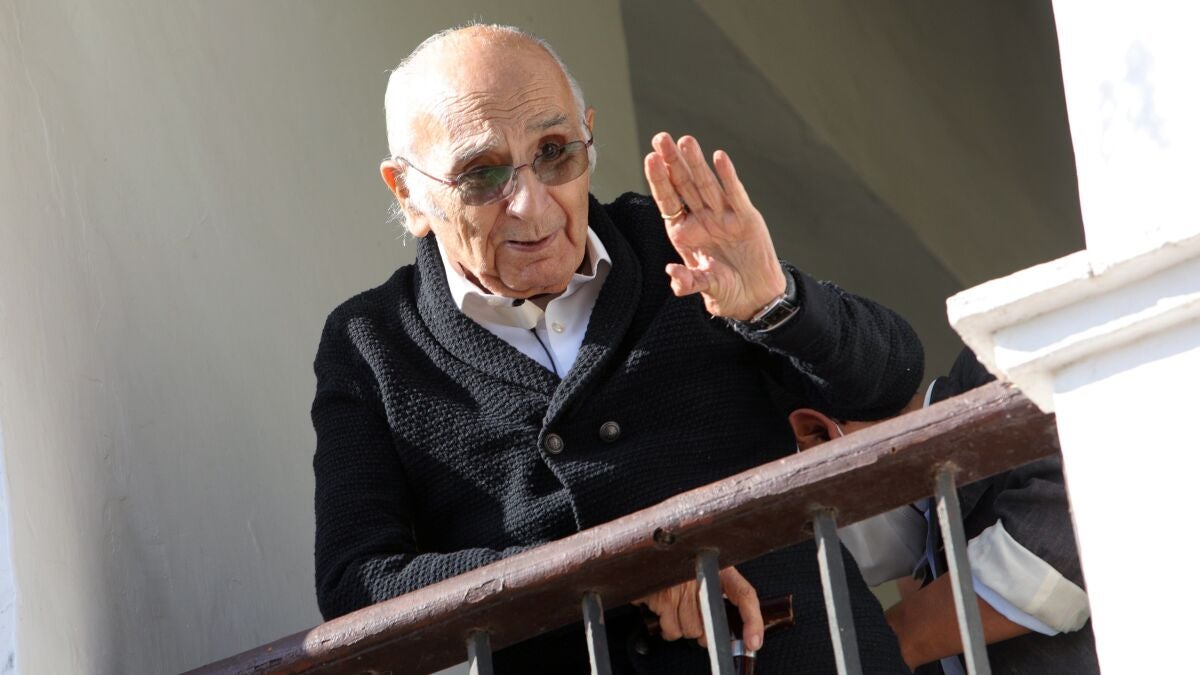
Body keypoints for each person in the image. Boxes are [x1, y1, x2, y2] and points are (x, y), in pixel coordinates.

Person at [311, 23, 923, 673]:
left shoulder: (678, 247)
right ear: (408, 193)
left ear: (588, 136)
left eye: (555, 152)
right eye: (482, 173)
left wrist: (774, 302)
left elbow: (889, 380)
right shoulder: (372, 343)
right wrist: (613, 574)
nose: (531, 206)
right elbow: (358, 584)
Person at [790, 348, 1099, 674]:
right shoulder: (930, 558)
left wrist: (894, 638)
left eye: (797, 523)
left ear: (816, 433)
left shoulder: (996, 365)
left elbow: (1071, 529)